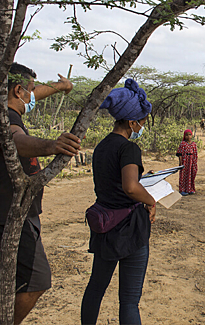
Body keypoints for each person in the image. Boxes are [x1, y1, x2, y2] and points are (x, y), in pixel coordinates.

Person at [0, 62, 81, 325]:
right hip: (6, 214)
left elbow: (32, 95)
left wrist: (60, 87)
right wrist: (52, 145)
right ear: (18, 90)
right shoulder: (5, 119)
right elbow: (16, 140)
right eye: (30, 90)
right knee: (36, 280)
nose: (34, 96)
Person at [81, 79, 156, 325]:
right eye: (143, 121)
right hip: (130, 229)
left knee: (95, 289)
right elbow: (131, 187)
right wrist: (151, 200)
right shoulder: (129, 149)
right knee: (129, 300)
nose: (143, 126)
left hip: (104, 226)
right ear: (132, 122)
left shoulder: (102, 147)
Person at [176, 129, 198, 196]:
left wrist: (195, 162)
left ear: (191, 135)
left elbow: (195, 154)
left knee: (191, 174)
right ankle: (182, 189)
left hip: (192, 161)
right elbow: (179, 153)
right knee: (183, 175)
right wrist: (180, 162)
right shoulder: (183, 144)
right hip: (185, 161)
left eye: (189, 134)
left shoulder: (194, 144)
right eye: (186, 135)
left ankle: (190, 189)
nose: (188, 136)